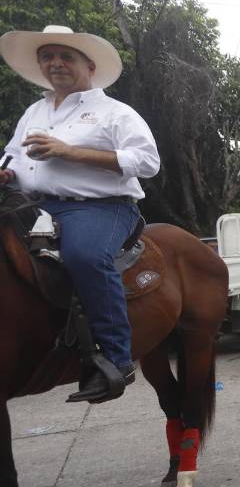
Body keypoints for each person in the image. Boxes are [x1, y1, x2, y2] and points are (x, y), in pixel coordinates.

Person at [0, 25, 160, 403]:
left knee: (84, 256)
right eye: (47, 57)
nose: (55, 63)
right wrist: (5, 170)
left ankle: (115, 358)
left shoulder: (114, 112)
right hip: (35, 203)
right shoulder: (34, 111)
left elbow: (147, 161)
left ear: (88, 65)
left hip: (102, 207)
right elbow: (12, 154)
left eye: (65, 56)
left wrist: (68, 151)